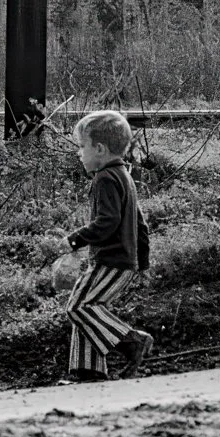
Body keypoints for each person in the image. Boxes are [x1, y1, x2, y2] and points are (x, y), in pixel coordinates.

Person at [62, 109, 155, 382]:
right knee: (88, 310)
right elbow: (141, 225)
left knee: (78, 308)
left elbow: (107, 222)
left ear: (100, 149)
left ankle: (132, 341)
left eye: (82, 146)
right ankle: (88, 371)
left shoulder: (104, 178)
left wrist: (73, 240)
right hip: (124, 262)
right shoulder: (124, 176)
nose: (79, 153)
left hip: (110, 260)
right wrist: (143, 263)